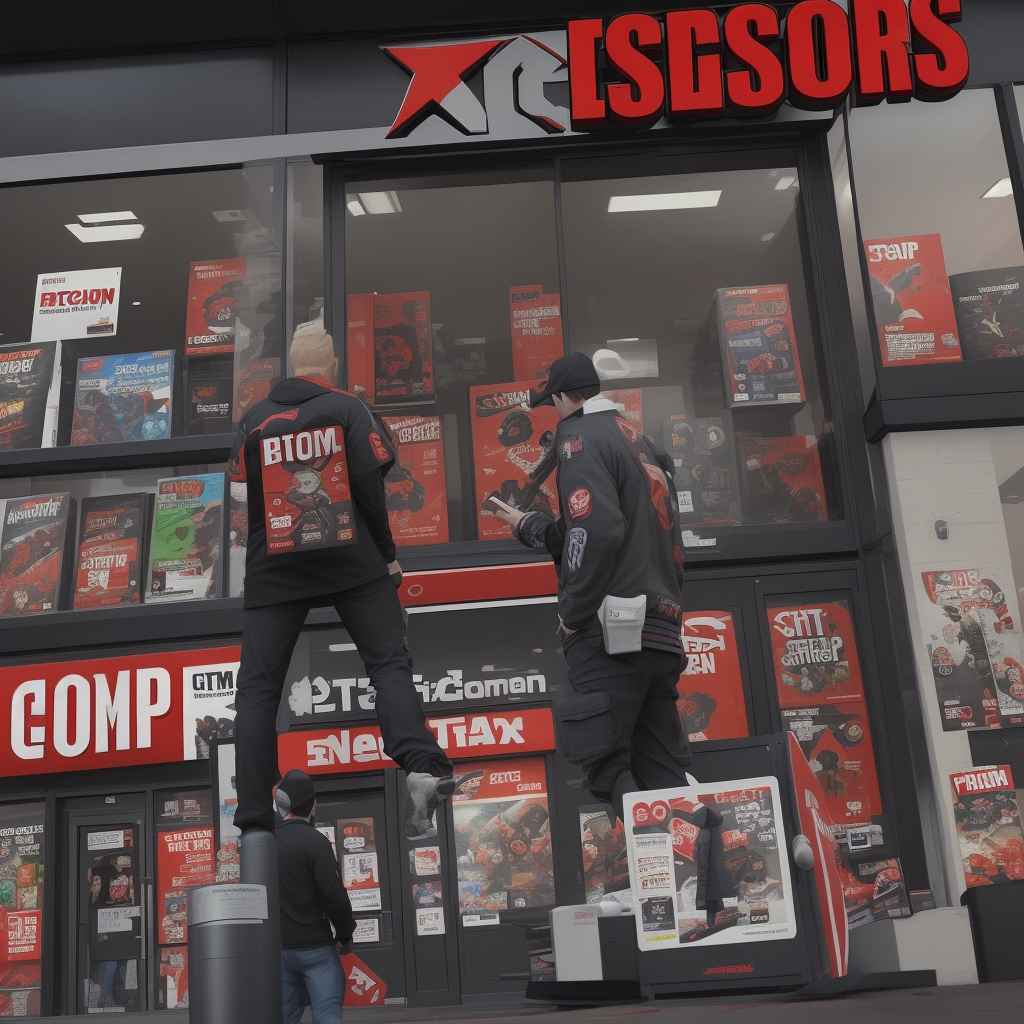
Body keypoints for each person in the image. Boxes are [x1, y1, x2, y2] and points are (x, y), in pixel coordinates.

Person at [230, 328, 454, 840]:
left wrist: (261, 565)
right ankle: (420, 767)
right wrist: (387, 555)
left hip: (275, 568)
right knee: (387, 664)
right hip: (353, 558)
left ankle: (254, 816)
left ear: (290, 365)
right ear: (330, 362)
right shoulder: (350, 409)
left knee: (258, 689)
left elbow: (245, 505)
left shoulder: (253, 420)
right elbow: (372, 489)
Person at [488, 352, 692, 821]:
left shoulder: (578, 438)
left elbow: (596, 532)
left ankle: (659, 849)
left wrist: (573, 613)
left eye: (551, 404)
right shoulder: (639, 441)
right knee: (660, 772)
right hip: (661, 630)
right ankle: (693, 852)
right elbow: (599, 529)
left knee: (603, 764)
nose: (553, 414)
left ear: (562, 397)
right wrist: (528, 525)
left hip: (611, 630)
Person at [275, 770, 353, 1024]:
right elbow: (333, 895)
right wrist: (345, 934)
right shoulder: (317, 842)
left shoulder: (266, 843)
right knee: (327, 1015)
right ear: (312, 805)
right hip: (316, 948)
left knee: (284, 1018)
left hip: (279, 949)